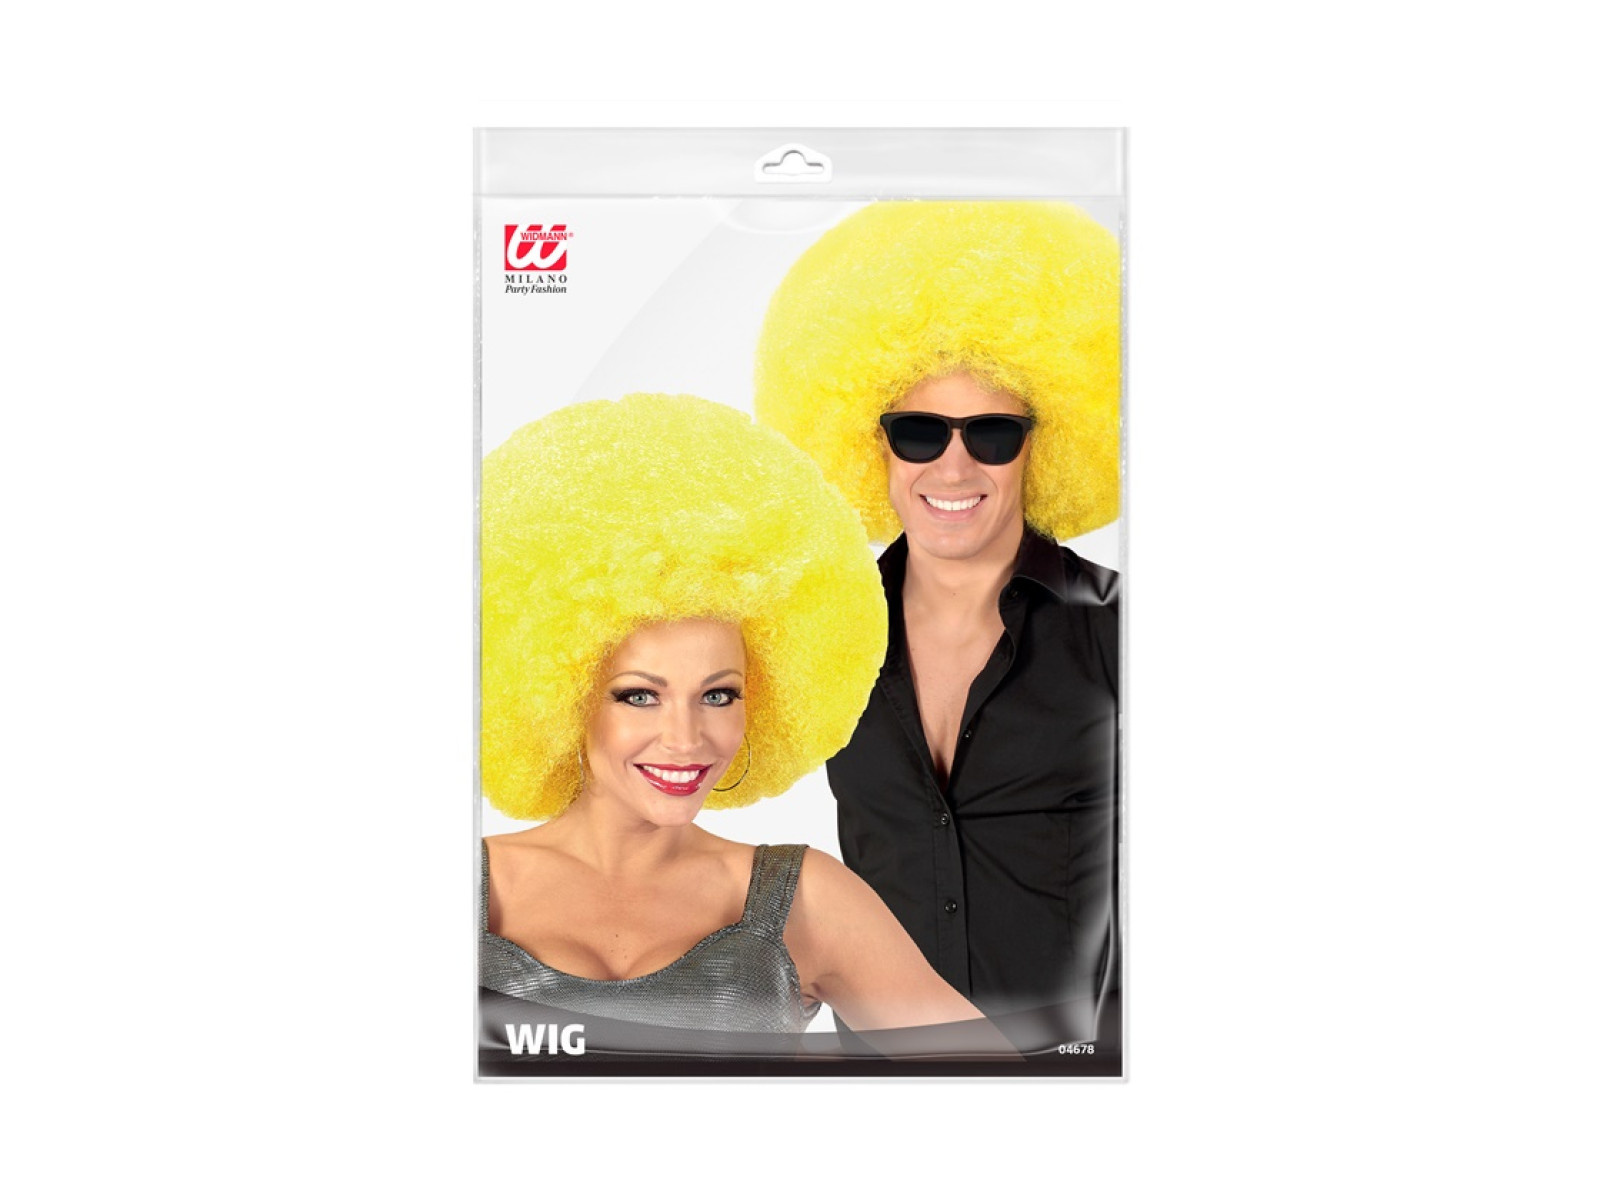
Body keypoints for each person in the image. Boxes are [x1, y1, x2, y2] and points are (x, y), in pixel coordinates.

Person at [478, 392, 1005, 1055]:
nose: (685, 738)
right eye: (639, 696)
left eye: (718, 695)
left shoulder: (803, 900)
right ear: (564, 694)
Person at [754, 201, 1122, 1050]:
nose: (953, 467)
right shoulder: (823, 637)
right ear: (873, 445)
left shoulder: (1120, 634)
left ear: (1040, 445)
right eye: (918, 433)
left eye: (992, 434)